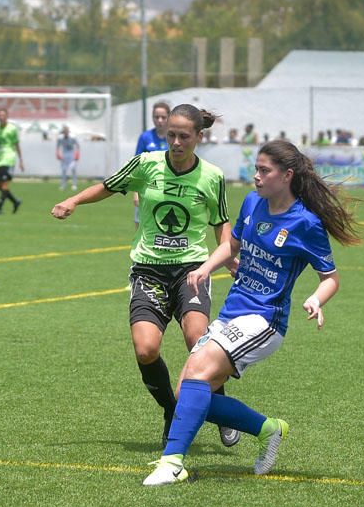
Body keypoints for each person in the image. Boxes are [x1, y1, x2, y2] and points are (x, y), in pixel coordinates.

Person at [142, 139, 364, 486]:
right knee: (190, 389)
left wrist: (317, 299)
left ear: (287, 175)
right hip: (234, 310)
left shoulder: (305, 223)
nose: (256, 177)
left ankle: (173, 462)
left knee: (198, 373)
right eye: (256, 169)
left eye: (264, 171)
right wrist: (206, 268)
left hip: (265, 320)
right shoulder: (252, 202)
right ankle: (268, 429)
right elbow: (232, 244)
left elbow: (330, 278)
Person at [51, 104, 240, 449]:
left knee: (198, 340)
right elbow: (109, 186)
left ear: (199, 137)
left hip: (192, 269)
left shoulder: (212, 176)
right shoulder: (146, 164)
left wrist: (226, 256)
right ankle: (172, 409)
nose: (177, 142)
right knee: (145, 349)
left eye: (185, 136)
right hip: (149, 269)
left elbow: (220, 221)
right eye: (171, 135)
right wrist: (74, 200)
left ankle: (222, 411)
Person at [132, 101, 171, 229]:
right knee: (141, 224)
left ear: (169, 117)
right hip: (146, 188)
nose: (159, 120)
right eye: (156, 117)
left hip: (169, 187)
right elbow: (136, 165)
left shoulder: (174, 138)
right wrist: (136, 193)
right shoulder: (145, 137)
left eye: (163, 117)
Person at [0, 109, 24, 215]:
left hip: (9, 159)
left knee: (5, 185)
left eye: (3, 115)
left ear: (7, 117)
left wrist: (20, 160)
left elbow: (17, 144)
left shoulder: (12, 129)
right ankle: (15, 201)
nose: (1, 117)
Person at [55, 125, 80, 191]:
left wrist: (77, 154)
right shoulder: (60, 138)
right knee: (64, 170)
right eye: (64, 131)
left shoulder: (72, 137)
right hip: (64, 154)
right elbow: (57, 146)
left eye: (66, 131)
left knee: (73, 169)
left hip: (71, 154)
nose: (65, 132)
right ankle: (63, 185)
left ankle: (74, 184)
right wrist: (57, 153)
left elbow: (77, 146)